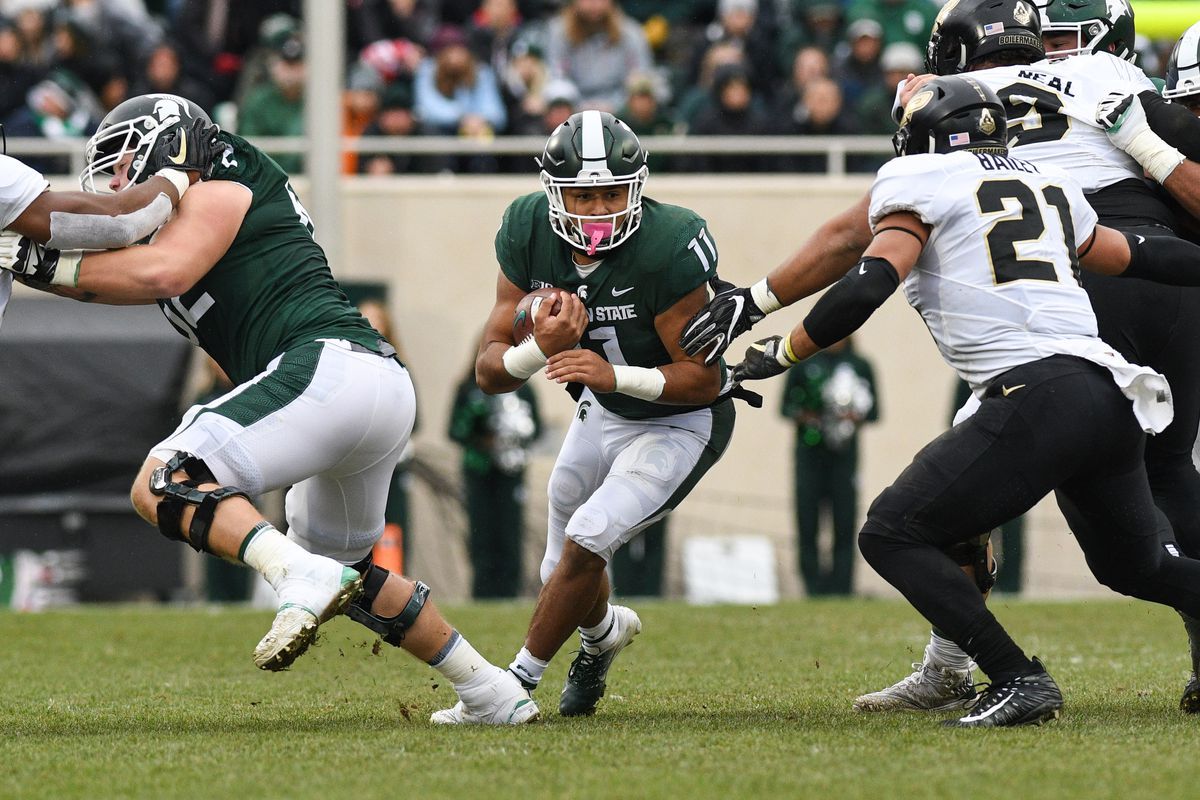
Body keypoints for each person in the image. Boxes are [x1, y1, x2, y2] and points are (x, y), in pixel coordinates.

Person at [680, 0, 1200, 714]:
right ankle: (965, 666)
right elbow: (1136, 249)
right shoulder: (1055, 163)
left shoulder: (923, 174)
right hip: (1112, 368)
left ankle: (997, 672)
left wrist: (776, 336)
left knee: (900, 528)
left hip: (1040, 374)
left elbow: (862, 267)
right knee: (1142, 548)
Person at [0, 93, 539, 727]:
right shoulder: (183, 218)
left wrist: (30, 260)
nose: (118, 185)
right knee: (350, 575)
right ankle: (489, 691)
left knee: (165, 478)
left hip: (330, 367)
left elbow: (163, 273)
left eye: (124, 167)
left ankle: (290, 574)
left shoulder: (225, 169)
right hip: (360, 385)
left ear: (172, 146)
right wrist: (39, 264)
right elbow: (123, 276)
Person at [440, 109, 737, 721]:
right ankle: (603, 637)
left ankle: (511, 686)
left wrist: (613, 375)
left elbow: (704, 378)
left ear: (638, 187)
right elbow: (489, 373)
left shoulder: (667, 244)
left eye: (610, 193)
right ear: (555, 190)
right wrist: (537, 350)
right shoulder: (526, 229)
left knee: (589, 534)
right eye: (583, 193)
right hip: (603, 413)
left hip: (681, 420)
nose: (598, 209)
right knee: (561, 566)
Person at [0, 102, 218, 330]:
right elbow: (139, 281)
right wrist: (45, 268)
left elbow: (159, 271)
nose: (113, 183)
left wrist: (176, 173)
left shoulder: (219, 199)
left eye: (122, 165)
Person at [782, 336, 877, 596]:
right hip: (809, 458)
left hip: (844, 460)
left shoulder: (859, 365)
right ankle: (813, 588)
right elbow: (786, 407)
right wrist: (809, 416)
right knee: (807, 521)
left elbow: (874, 411)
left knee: (845, 522)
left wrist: (851, 417)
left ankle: (842, 588)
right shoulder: (803, 364)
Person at [448, 347, 542, 599]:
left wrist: (513, 439)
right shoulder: (468, 389)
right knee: (481, 535)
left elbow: (537, 429)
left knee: (510, 534)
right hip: (478, 472)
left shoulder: (525, 390)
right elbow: (454, 431)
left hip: (511, 476)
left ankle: (510, 594)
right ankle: (482, 594)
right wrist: (480, 436)